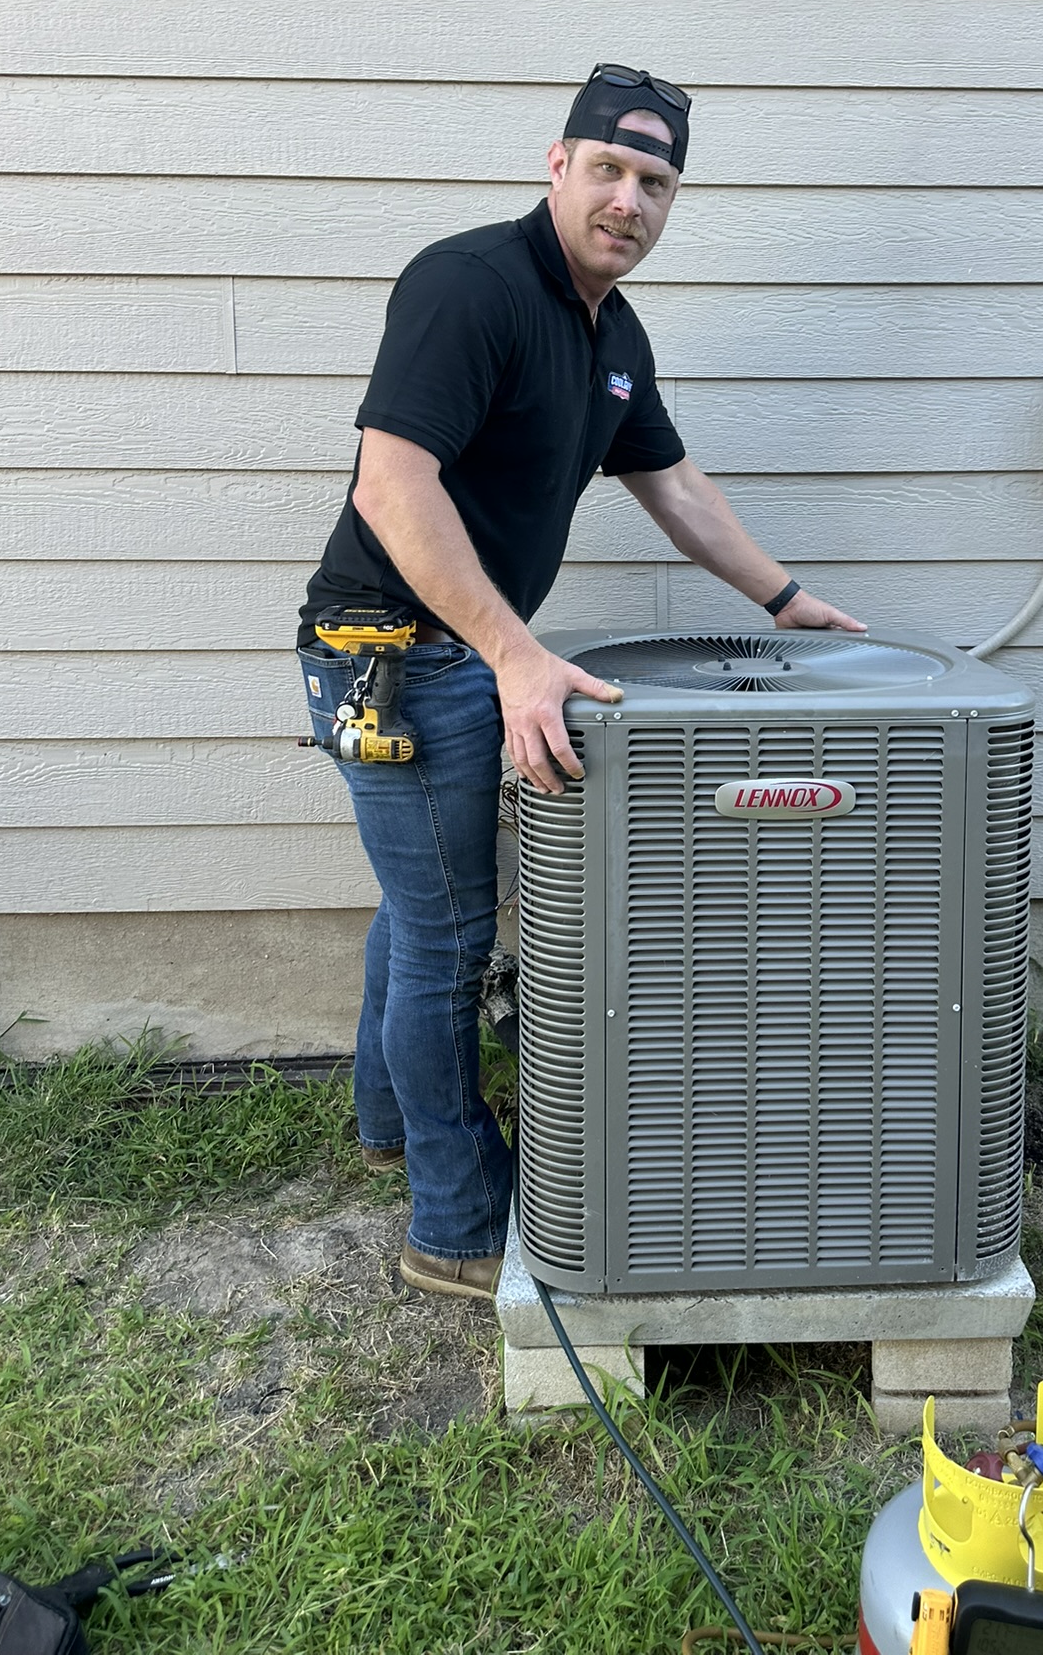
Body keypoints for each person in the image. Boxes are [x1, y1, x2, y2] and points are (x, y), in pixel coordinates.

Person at [297, 63, 865, 1300]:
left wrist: (781, 597)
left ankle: (386, 1123)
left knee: (420, 908)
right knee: (450, 938)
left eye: (655, 182)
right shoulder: (472, 286)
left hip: (453, 648)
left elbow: (671, 484)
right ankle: (453, 1223)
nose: (630, 200)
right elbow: (391, 488)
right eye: (608, 169)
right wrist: (513, 655)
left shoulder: (613, 334)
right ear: (557, 166)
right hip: (387, 655)